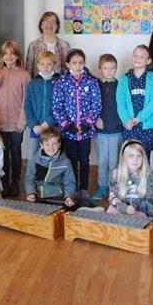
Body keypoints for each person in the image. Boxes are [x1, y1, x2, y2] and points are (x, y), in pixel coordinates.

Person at [52, 48, 102, 198]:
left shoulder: (92, 82)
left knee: (85, 160)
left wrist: (88, 122)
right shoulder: (61, 82)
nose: (78, 66)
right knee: (72, 159)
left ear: (84, 63)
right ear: (68, 64)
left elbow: (97, 103)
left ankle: (84, 189)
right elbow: (57, 106)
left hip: (86, 131)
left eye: (81, 62)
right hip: (69, 131)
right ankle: (72, 188)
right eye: (74, 63)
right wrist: (67, 125)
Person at [0, 41, 30, 197]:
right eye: (6, 53)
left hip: (17, 123)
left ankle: (15, 182)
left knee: (16, 152)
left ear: (17, 55)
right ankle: (3, 183)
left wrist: (22, 120)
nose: (9, 56)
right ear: (2, 56)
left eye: (12, 53)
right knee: (1, 153)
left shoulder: (24, 75)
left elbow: (26, 100)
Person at [25, 128, 100, 210]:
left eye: (54, 144)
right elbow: (29, 179)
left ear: (59, 144)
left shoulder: (65, 162)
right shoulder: (34, 160)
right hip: (39, 197)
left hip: (59, 197)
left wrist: (68, 196)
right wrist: (31, 193)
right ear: (41, 145)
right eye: (47, 144)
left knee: (86, 203)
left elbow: (70, 182)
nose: (51, 148)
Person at [117, 45, 153, 154]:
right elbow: (120, 103)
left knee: (144, 159)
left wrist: (140, 117)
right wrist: (125, 120)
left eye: (142, 56)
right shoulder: (124, 79)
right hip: (130, 126)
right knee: (129, 159)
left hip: (146, 126)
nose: (137, 58)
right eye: (135, 55)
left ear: (148, 60)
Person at [93, 54, 123, 199]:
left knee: (114, 163)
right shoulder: (95, 85)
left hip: (116, 131)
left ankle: (113, 188)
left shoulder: (120, 85)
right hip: (100, 132)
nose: (109, 71)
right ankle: (102, 186)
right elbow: (90, 105)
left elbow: (124, 106)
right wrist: (94, 119)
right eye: (105, 68)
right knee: (102, 162)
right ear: (100, 69)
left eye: (112, 68)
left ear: (116, 69)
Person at [107, 140, 153, 219]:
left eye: (139, 156)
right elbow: (113, 198)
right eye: (131, 156)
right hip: (121, 210)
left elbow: (152, 200)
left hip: (141, 214)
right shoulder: (116, 174)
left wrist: (152, 219)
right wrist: (125, 209)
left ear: (143, 158)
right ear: (124, 158)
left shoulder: (149, 175)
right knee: (110, 212)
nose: (135, 160)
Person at [24, 51, 57, 158]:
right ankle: (33, 175)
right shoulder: (32, 83)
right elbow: (27, 106)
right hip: (36, 128)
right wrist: (33, 125)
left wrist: (47, 123)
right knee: (33, 157)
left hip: (53, 128)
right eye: (42, 64)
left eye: (49, 64)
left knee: (52, 156)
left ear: (54, 65)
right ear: (38, 65)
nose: (45, 67)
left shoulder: (59, 82)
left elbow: (59, 107)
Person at [24, 11, 71, 77]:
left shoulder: (64, 45)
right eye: (45, 21)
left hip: (58, 85)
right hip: (38, 84)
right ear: (41, 25)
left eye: (52, 22)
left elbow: (68, 69)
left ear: (57, 26)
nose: (49, 24)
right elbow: (29, 70)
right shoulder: (33, 45)